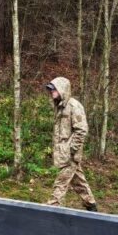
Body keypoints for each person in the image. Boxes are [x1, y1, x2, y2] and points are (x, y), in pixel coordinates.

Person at [46, 77, 97, 211]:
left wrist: (72, 149)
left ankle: (52, 209)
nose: (52, 92)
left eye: (54, 89)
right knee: (78, 181)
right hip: (63, 153)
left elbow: (81, 129)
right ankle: (91, 205)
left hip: (70, 154)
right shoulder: (59, 106)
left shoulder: (74, 106)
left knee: (60, 183)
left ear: (62, 89)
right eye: (51, 90)